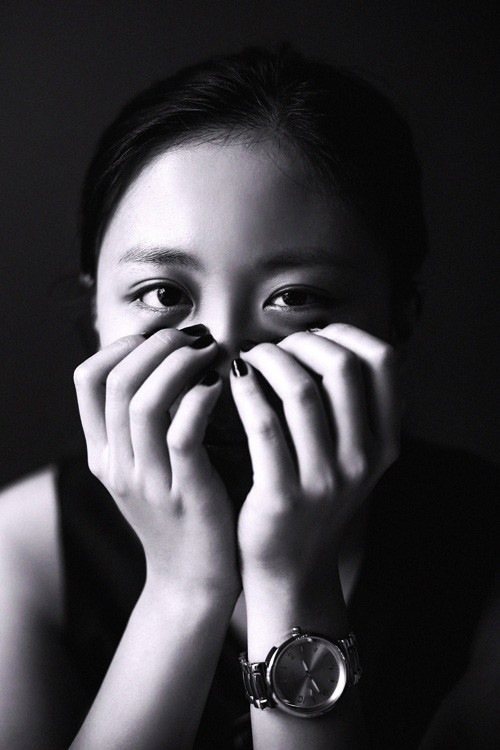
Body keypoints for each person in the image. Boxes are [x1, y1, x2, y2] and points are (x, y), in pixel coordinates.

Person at [0, 43, 498, 750]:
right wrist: (183, 591)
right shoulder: (20, 550)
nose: (226, 350)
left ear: (400, 317)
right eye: (163, 294)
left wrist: (292, 579)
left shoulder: (483, 547)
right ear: (96, 316)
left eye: (295, 297)